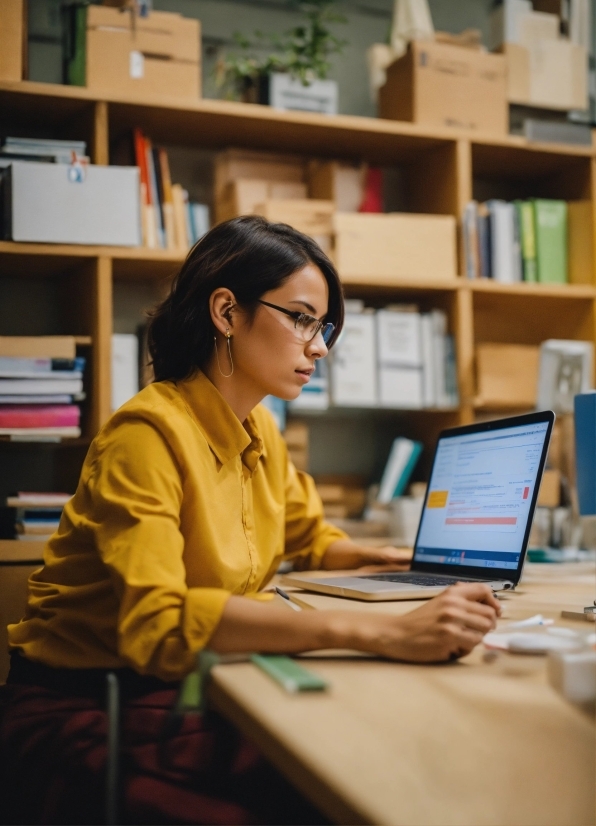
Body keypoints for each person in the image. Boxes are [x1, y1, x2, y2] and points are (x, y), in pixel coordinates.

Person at [0, 217, 500, 825]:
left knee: (354, 752)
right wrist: (377, 633)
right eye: (301, 318)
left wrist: (400, 563)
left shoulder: (259, 426)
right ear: (226, 312)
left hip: (186, 686)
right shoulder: (146, 436)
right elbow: (156, 626)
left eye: (324, 327)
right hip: (86, 704)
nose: (319, 346)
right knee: (309, 790)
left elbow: (311, 539)